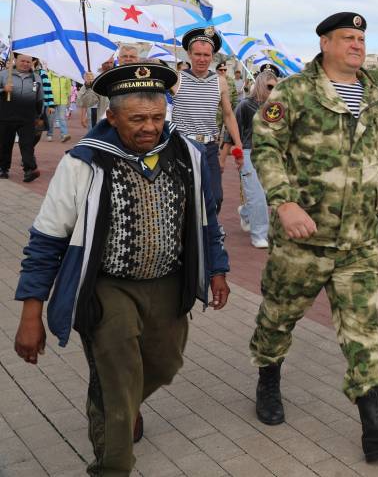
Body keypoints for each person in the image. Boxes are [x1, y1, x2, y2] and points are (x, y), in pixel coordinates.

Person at [13, 62, 230, 476]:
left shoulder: (186, 153)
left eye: (156, 117)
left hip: (169, 281)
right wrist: (31, 313)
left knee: (166, 364)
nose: (149, 127)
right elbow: (45, 241)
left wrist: (217, 268)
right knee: (117, 377)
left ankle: (122, 402)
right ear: (111, 116)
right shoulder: (83, 163)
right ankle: (112, 458)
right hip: (106, 287)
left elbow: (207, 219)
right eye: (137, 119)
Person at [249, 12, 378, 462]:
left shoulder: (374, 94)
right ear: (325, 42)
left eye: (362, 38)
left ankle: (376, 427)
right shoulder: (293, 91)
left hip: (358, 241)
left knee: (364, 330)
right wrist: (283, 202)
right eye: (348, 37)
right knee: (278, 317)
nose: (357, 44)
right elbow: (266, 147)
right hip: (303, 239)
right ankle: (268, 376)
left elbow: (376, 154)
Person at [171, 27, 243, 213]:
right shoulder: (176, 79)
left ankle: (210, 235)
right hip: (183, 146)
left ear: (212, 56)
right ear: (189, 54)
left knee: (216, 197)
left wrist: (238, 144)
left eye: (206, 54)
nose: (202, 59)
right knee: (184, 198)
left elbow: (228, 114)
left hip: (209, 148)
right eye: (197, 54)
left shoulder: (220, 81)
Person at [235, 64, 279, 248]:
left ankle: (245, 212)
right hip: (248, 153)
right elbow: (234, 130)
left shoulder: (278, 107)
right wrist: (233, 155)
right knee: (257, 195)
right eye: (269, 86)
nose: (273, 90)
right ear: (260, 84)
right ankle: (259, 234)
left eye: (275, 86)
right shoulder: (245, 105)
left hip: (270, 153)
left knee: (267, 194)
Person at [0, 52, 44, 181]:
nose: (25, 64)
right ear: (15, 60)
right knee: (4, 144)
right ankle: (3, 169)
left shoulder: (36, 78)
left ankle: (29, 170)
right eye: (22, 61)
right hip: (5, 117)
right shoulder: (4, 75)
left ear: (32, 63)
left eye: (28, 61)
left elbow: (40, 99)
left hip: (27, 118)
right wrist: (4, 90)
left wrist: (40, 116)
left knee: (27, 145)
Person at [47, 67, 73, 142]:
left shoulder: (66, 76)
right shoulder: (49, 75)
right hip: (51, 101)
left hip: (63, 100)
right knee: (51, 119)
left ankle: (64, 135)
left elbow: (68, 89)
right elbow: (46, 87)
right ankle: (49, 134)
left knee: (62, 117)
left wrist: (69, 100)